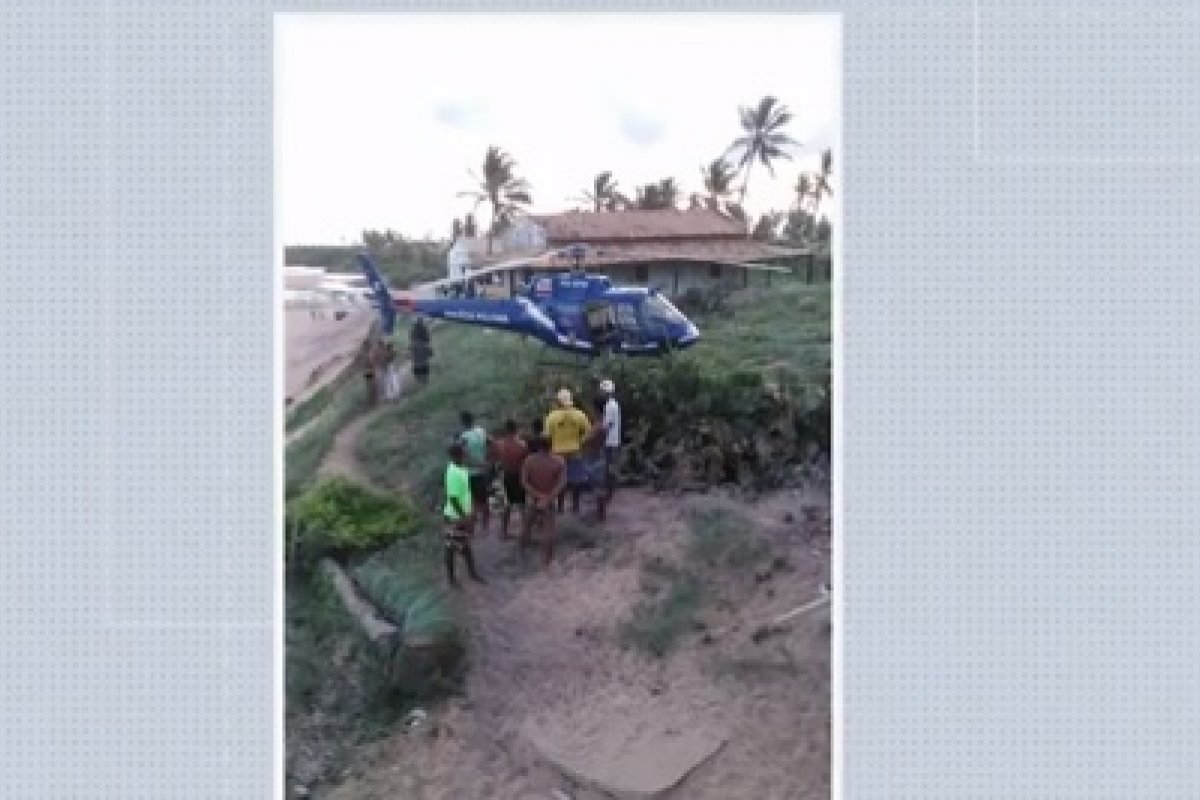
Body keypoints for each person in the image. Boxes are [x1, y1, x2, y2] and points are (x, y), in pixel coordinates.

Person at [520, 435, 566, 567]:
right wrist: (548, 497)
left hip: (533, 499)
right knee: (549, 530)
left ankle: (522, 553)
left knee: (527, 526)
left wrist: (538, 495)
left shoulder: (529, 461)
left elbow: (524, 482)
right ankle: (548, 560)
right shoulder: (559, 461)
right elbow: (561, 483)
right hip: (549, 499)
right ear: (551, 445)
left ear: (538, 446)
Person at [442, 442, 484, 586]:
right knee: (452, 547)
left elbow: (465, 492)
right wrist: (464, 517)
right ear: (459, 455)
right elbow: (453, 498)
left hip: (460, 514)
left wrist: (471, 510)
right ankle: (453, 579)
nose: (466, 454)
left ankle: (469, 574)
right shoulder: (454, 473)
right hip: (455, 517)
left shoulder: (459, 469)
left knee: (463, 545)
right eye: (464, 452)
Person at [544, 388, 591, 515]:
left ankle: (560, 507)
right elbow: (589, 432)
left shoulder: (552, 416)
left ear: (558, 402)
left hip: (557, 452)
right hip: (575, 450)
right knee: (576, 480)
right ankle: (575, 507)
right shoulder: (580, 415)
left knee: (560, 481)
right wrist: (580, 441)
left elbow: (547, 436)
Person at [459, 411, 494, 534]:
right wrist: (488, 460)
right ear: (473, 419)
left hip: (470, 473)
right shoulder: (481, 431)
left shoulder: (463, 437)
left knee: (472, 503)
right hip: (483, 472)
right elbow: (491, 443)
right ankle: (486, 527)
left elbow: (463, 456)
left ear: (463, 422)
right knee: (484, 500)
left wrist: (477, 463)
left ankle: (472, 529)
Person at [493, 419, 529, 540]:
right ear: (516, 429)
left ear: (506, 429)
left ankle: (504, 532)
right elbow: (525, 462)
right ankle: (525, 532)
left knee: (506, 505)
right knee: (522, 505)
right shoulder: (522, 445)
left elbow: (496, 459)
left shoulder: (499, 444)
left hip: (506, 475)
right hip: (519, 474)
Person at [598, 379, 621, 505]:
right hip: (612, 440)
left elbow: (607, 425)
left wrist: (595, 432)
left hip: (610, 441)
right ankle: (609, 492)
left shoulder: (610, 406)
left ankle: (609, 493)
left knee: (609, 468)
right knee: (609, 467)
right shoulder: (612, 404)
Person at [411, 317, 432, 386]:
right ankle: (424, 380)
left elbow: (411, 338)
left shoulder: (414, 329)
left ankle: (420, 380)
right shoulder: (424, 328)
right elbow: (427, 338)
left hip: (416, 348)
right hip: (422, 347)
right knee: (424, 363)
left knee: (417, 363)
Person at [359, 339, 378, 407]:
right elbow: (372, 362)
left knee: (370, 386)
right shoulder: (369, 353)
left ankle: (372, 401)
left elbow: (364, 364)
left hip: (368, 371)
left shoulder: (365, 354)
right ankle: (373, 401)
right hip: (370, 371)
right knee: (372, 386)